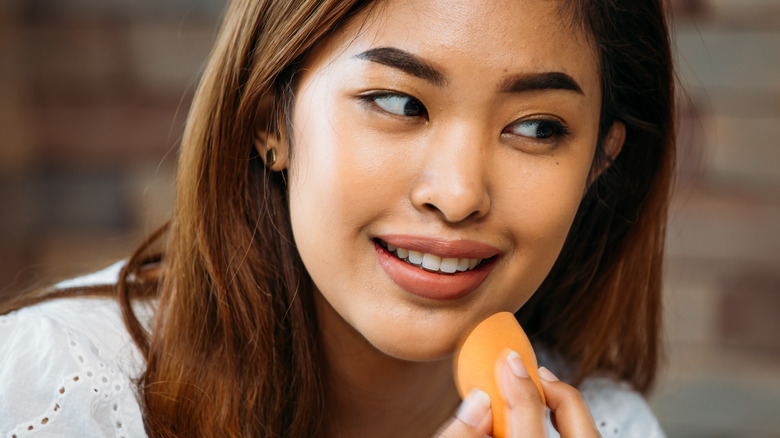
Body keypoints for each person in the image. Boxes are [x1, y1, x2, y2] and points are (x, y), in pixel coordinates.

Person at [0, 0, 674, 436]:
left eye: (535, 126)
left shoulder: (609, 426)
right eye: (400, 104)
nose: (460, 193)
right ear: (271, 118)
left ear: (599, 162)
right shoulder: (53, 393)